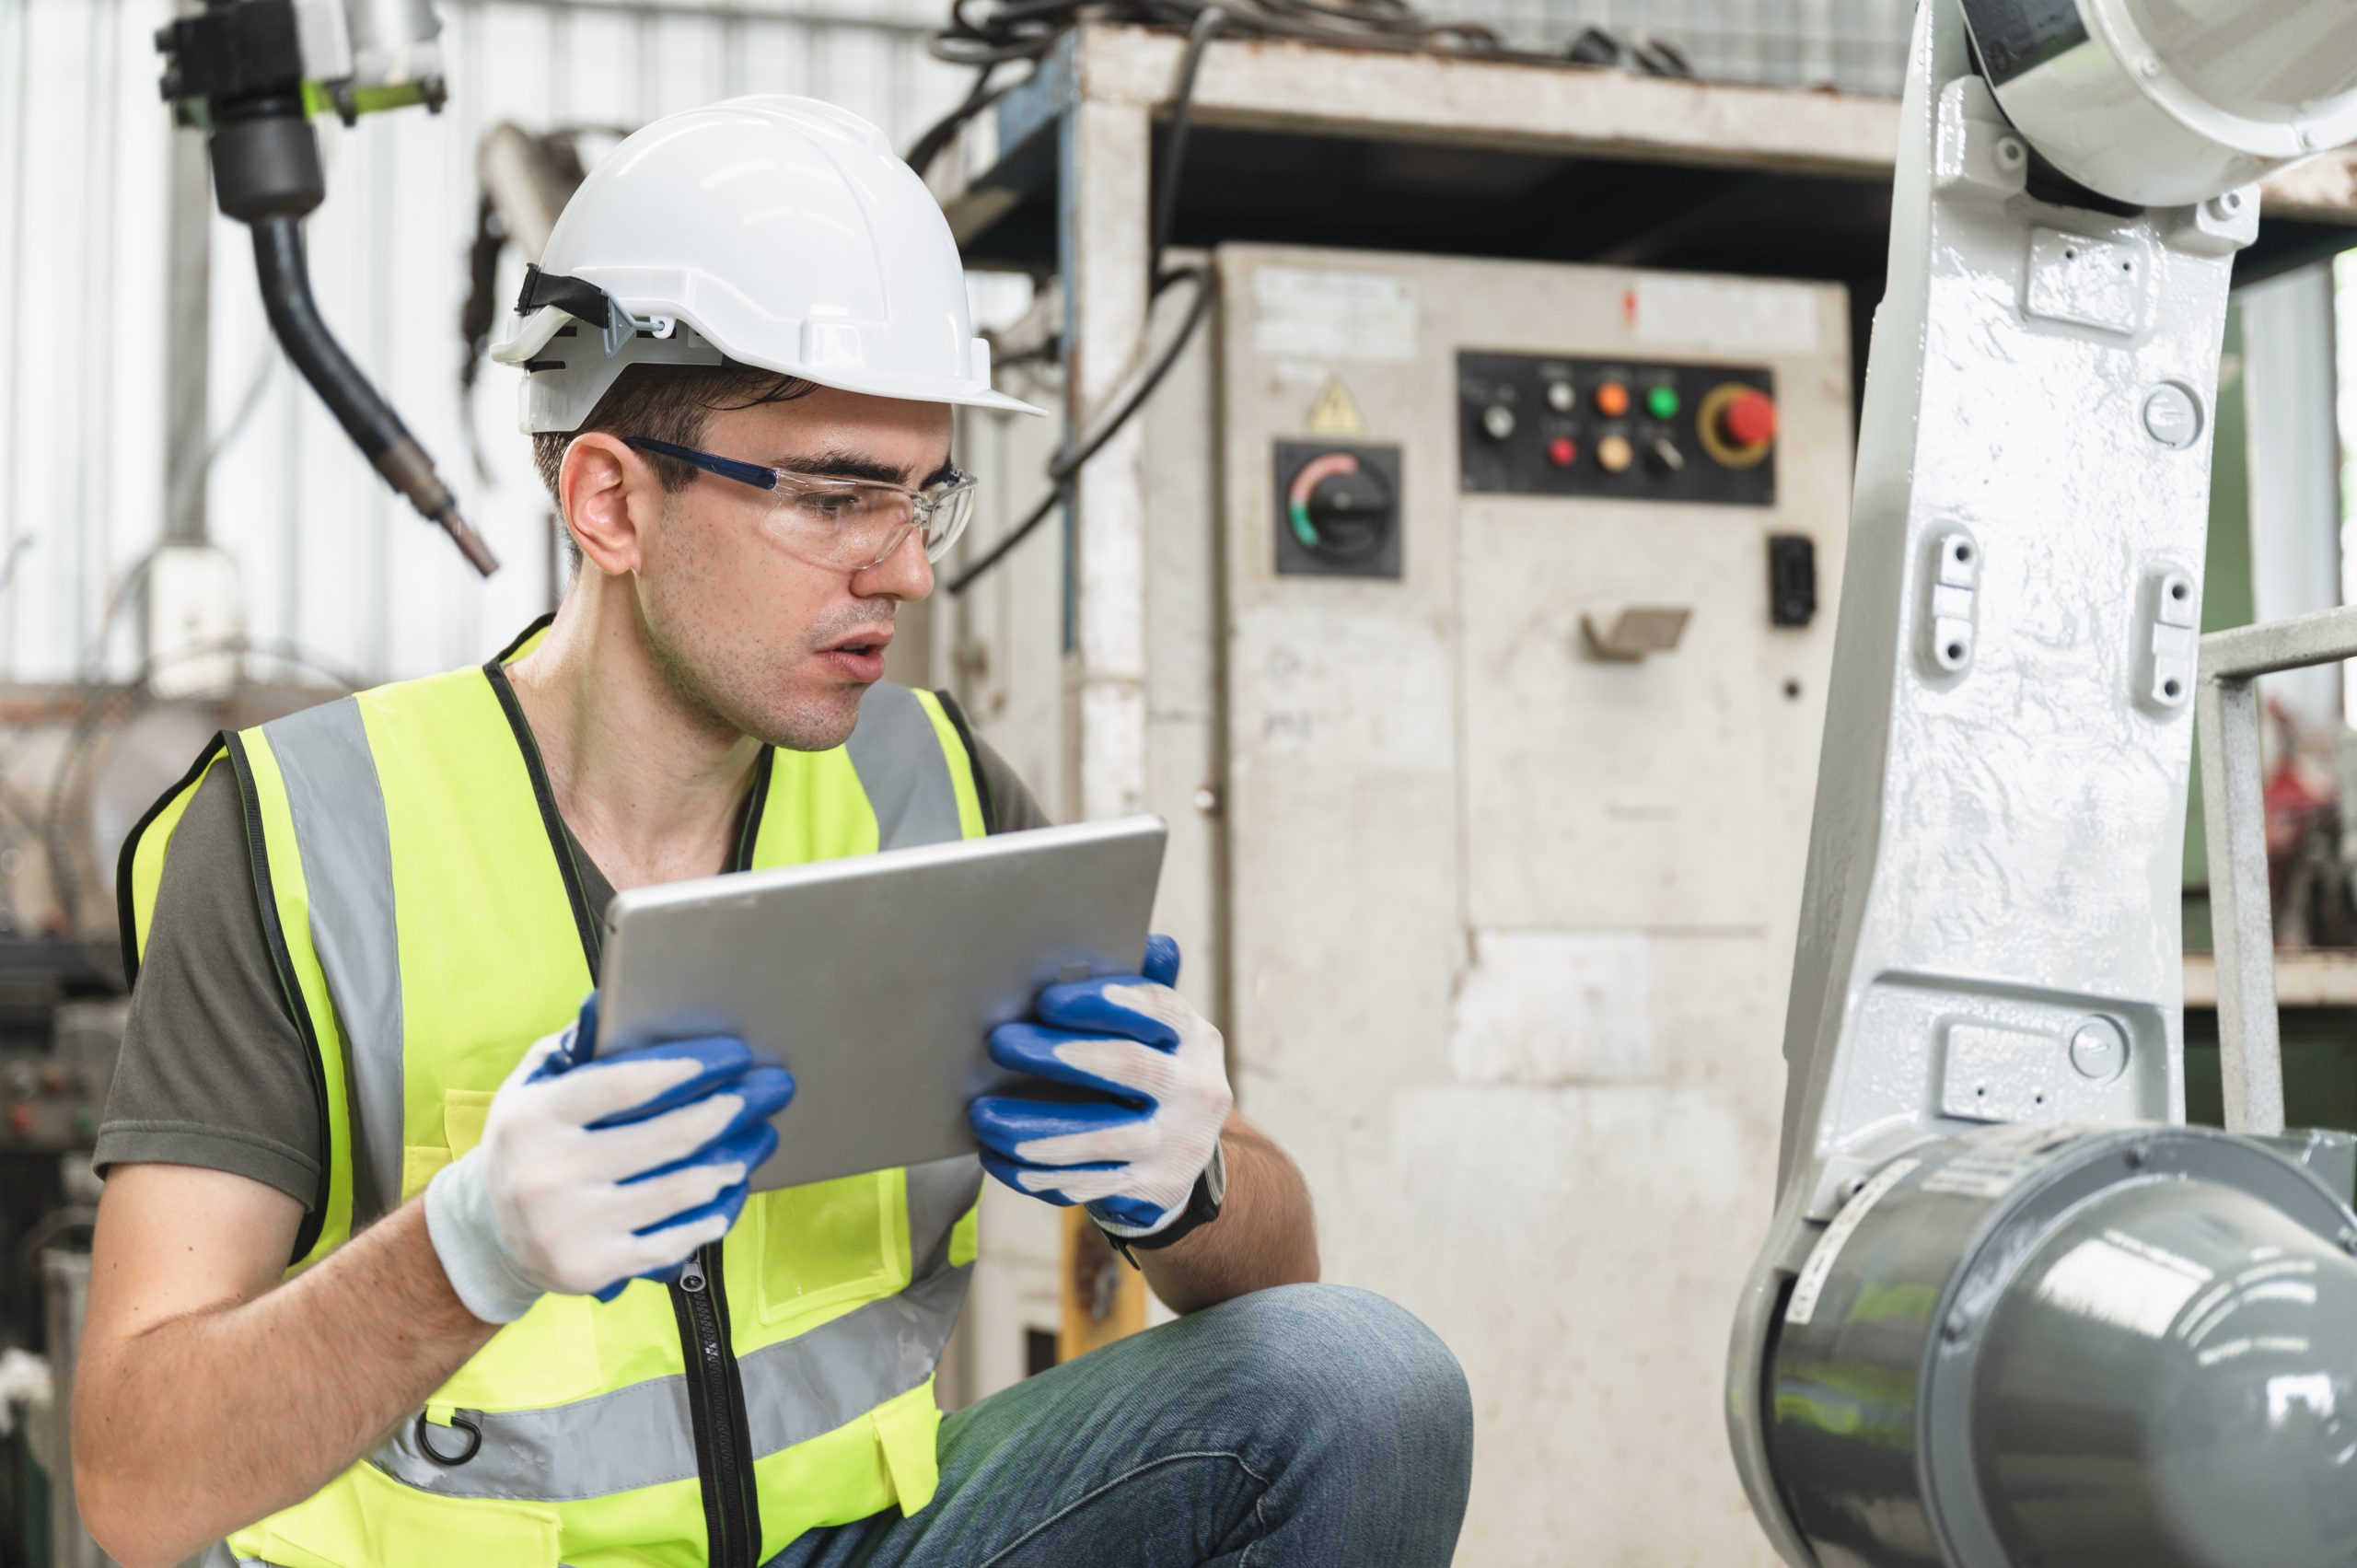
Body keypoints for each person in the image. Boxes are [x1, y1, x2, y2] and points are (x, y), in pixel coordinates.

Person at [71, 97, 1472, 1568]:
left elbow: (1279, 1267)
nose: (910, 568)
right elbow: (136, 1483)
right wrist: (462, 1254)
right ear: (609, 500)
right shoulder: (300, 831)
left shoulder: (933, 790)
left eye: (924, 494)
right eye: (838, 497)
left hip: (857, 1546)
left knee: (1355, 1381)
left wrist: (1190, 1181)